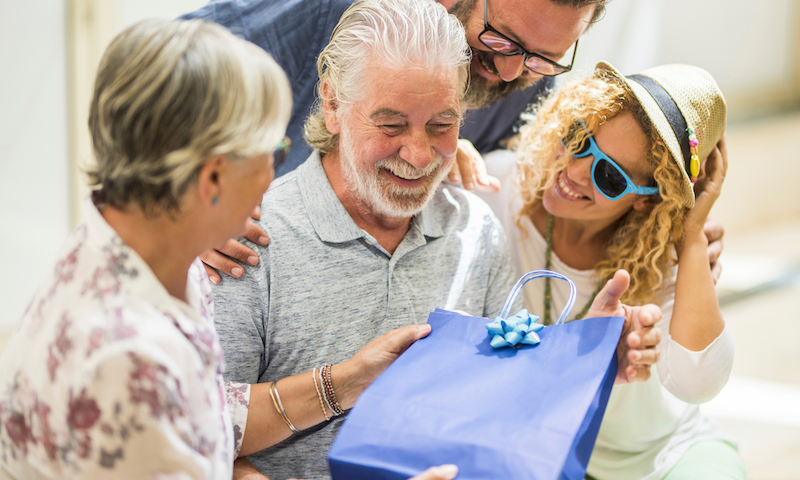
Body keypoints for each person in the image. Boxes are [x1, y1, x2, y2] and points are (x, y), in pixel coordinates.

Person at [209, 2, 662, 479]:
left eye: (442, 125)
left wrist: (582, 355)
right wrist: (341, 386)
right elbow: (189, 430)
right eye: (391, 124)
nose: (420, 154)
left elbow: (501, 411)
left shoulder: (476, 233)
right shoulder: (245, 243)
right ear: (333, 103)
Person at [0, 18, 452, 480]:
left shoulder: (135, 254)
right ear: (212, 178)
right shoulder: (126, 362)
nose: (276, 178)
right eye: (274, 153)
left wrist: (345, 381)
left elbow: (209, 416)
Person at [180, 0, 726, 287]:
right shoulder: (333, 11)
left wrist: (664, 231)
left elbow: (546, 206)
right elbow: (166, 69)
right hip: (230, 281)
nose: (511, 69)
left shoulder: (524, 80)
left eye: (543, 57)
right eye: (502, 38)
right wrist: (193, 203)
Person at [479, 62, 745, 479]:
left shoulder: (663, 257)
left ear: (645, 200)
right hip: (541, 451)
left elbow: (699, 384)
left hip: (662, 459)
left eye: (609, 175)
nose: (577, 169)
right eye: (580, 138)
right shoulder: (494, 190)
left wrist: (691, 235)